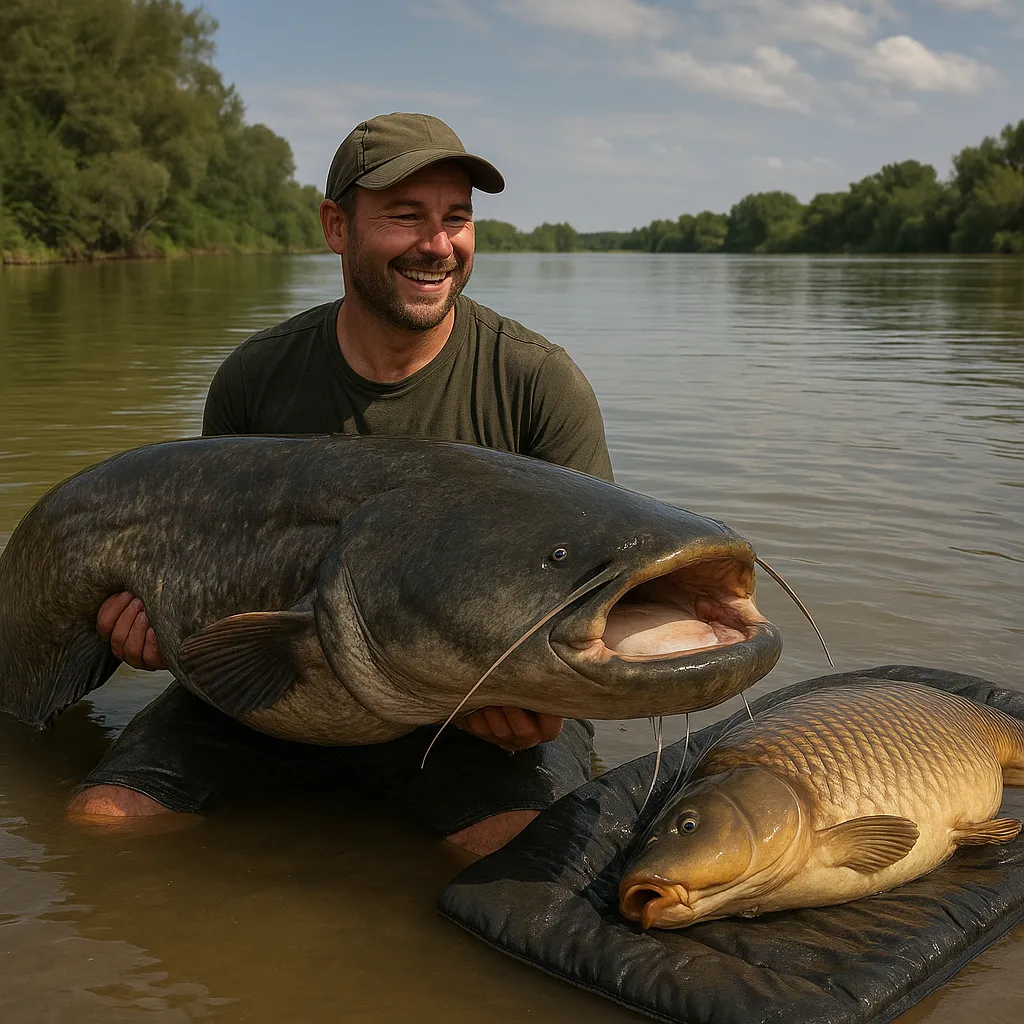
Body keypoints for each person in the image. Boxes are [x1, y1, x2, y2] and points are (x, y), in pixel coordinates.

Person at [69, 113, 613, 857]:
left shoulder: (537, 384)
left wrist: (552, 696)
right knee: (100, 826)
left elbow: (594, 599)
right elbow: (210, 583)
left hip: (467, 715)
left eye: (457, 218)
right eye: (405, 216)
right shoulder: (255, 380)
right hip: (273, 694)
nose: (438, 244)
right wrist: (161, 625)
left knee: (522, 857)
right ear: (336, 226)